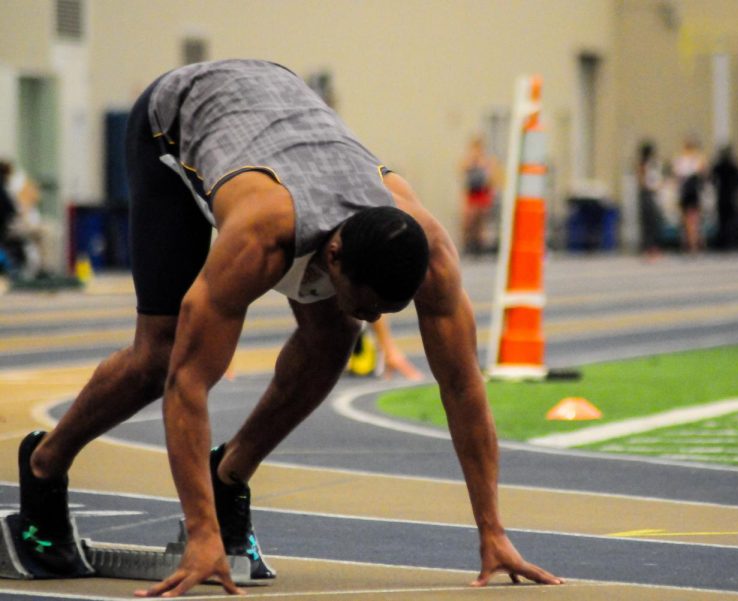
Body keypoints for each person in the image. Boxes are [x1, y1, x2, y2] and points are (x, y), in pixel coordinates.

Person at [14, 59, 562, 596]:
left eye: (384, 313)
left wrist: (493, 530)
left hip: (280, 99)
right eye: (367, 303)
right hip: (174, 122)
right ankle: (44, 465)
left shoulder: (432, 253)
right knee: (157, 358)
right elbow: (188, 383)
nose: (373, 319)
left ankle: (229, 476)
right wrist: (201, 536)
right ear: (335, 256)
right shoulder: (258, 237)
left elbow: (463, 387)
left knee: (335, 338)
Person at [459, 136, 498, 255]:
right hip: (471, 194)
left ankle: (480, 247)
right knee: (469, 220)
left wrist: (484, 166)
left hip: (482, 193)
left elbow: (492, 178)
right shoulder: (468, 160)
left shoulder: (487, 161)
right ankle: (468, 245)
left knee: (480, 221)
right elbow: (462, 172)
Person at [672, 136, 707, 254]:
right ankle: (692, 243)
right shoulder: (695, 160)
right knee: (692, 220)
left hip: (688, 193)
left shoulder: (682, 160)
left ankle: (692, 243)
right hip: (690, 192)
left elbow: (677, 176)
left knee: (690, 220)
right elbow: (702, 174)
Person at [710, 145, 738, 251]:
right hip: (730, 196)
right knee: (730, 220)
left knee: (724, 220)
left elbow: (712, 178)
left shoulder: (720, 165)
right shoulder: (733, 166)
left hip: (724, 195)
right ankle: (730, 241)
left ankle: (725, 241)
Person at [636, 140, 663, 259]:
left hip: (650, 193)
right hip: (647, 194)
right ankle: (649, 248)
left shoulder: (652, 163)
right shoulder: (644, 164)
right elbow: (642, 180)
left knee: (653, 222)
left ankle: (652, 247)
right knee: (649, 222)